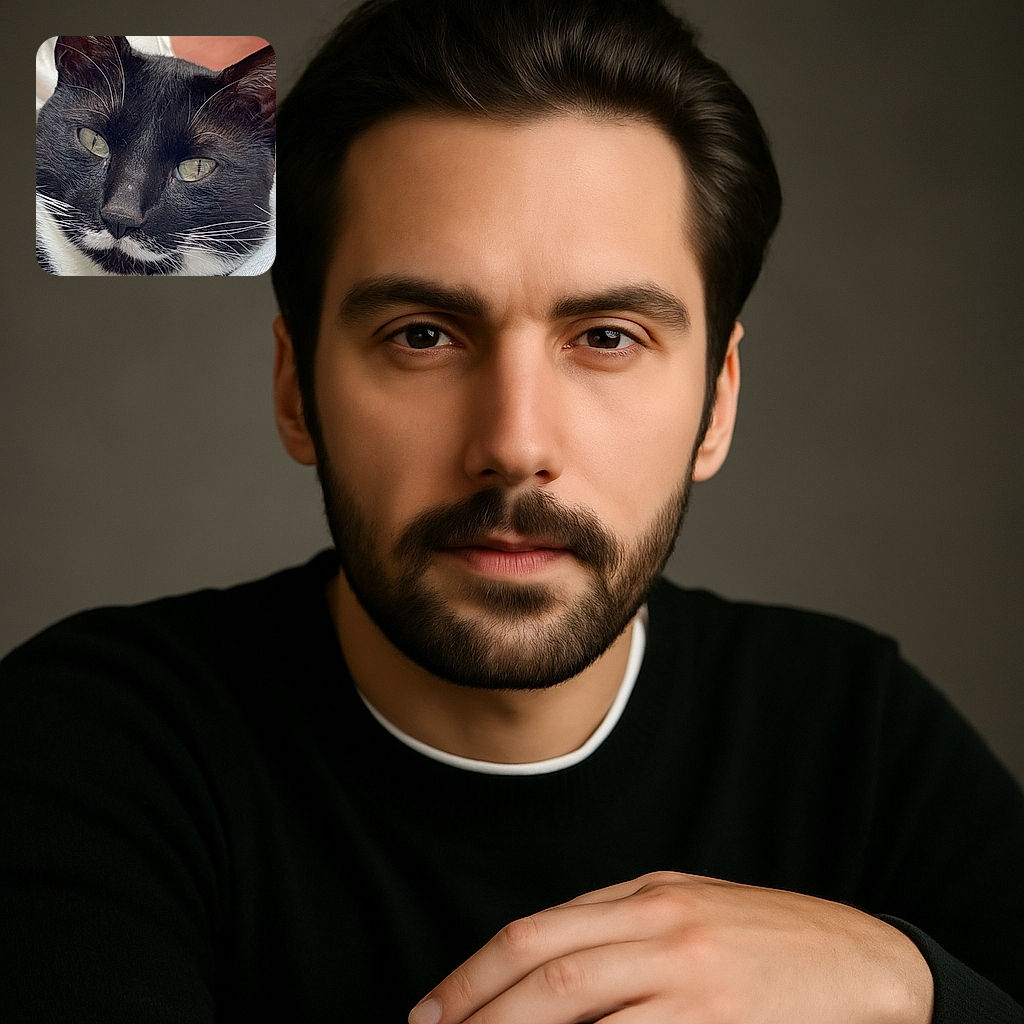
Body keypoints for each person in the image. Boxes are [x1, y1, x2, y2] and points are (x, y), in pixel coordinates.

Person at [3, 0, 1022, 1021]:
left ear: (716, 403)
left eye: (608, 337)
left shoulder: (859, 738)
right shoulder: (95, 744)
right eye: (422, 335)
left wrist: (906, 984)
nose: (514, 444)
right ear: (295, 390)